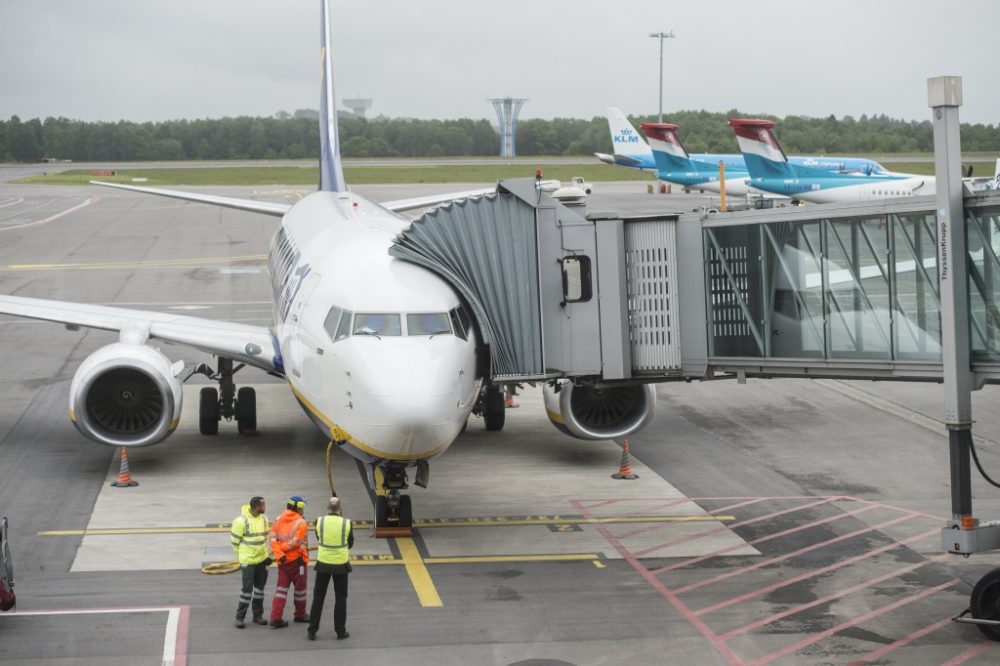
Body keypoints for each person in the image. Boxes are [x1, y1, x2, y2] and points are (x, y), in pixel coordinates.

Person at [307, 496, 353, 641]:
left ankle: (312, 631)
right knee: (340, 598)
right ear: (339, 509)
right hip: (341, 564)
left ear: (327, 508)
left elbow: (319, 537)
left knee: (318, 597)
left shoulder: (319, 521)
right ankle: (340, 631)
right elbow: (350, 542)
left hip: (323, 563)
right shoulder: (346, 523)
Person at [268, 495, 310, 628]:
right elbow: (295, 543)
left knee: (281, 590)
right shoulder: (301, 523)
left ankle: (275, 618)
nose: (304, 510)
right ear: (298, 507)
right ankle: (300, 614)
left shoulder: (277, 519)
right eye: (302, 507)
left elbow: (272, 540)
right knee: (300, 590)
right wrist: (283, 548)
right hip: (297, 562)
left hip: (283, 562)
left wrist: (280, 554)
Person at [230, 496, 272, 628]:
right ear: (256, 507)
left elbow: (263, 540)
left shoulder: (264, 519)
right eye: (263, 505)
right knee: (246, 590)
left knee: (260, 590)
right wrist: (242, 556)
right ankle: (240, 617)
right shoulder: (241, 521)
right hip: (248, 561)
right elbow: (235, 542)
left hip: (261, 560)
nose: (265, 508)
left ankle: (257, 616)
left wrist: (265, 556)